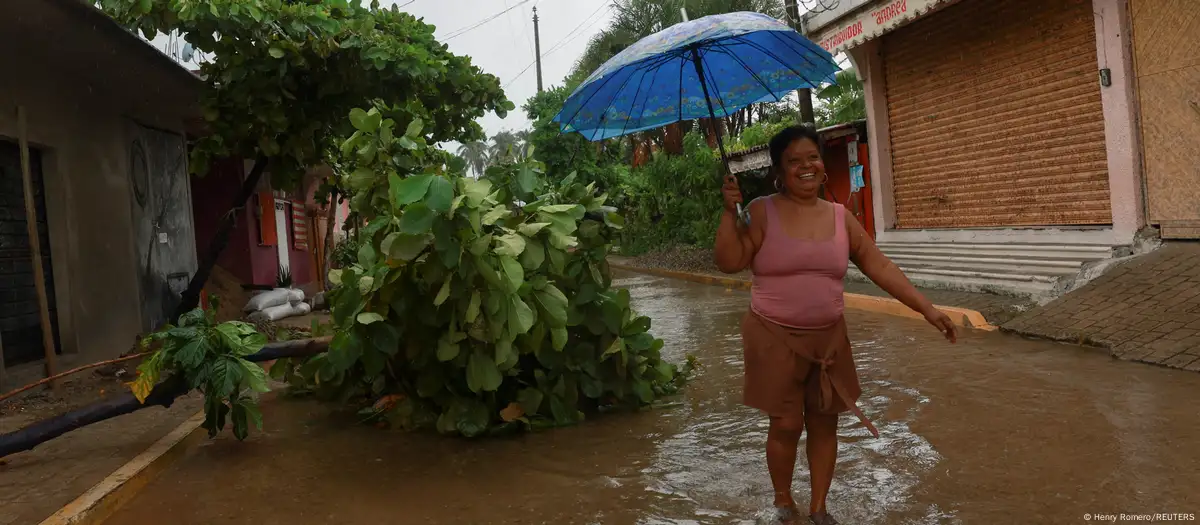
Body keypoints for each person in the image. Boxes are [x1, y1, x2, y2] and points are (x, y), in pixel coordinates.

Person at [713, 125, 958, 525]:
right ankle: (782, 502)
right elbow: (728, 260)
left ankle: (819, 509)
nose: (805, 166)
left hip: (829, 339)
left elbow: (879, 265)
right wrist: (728, 213)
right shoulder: (760, 211)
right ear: (779, 169)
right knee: (787, 422)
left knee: (825, 421)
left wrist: (927, 309)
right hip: (772, 335)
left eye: (812, 157)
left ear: (823, 165)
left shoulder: (840, 217)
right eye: (794, 160)